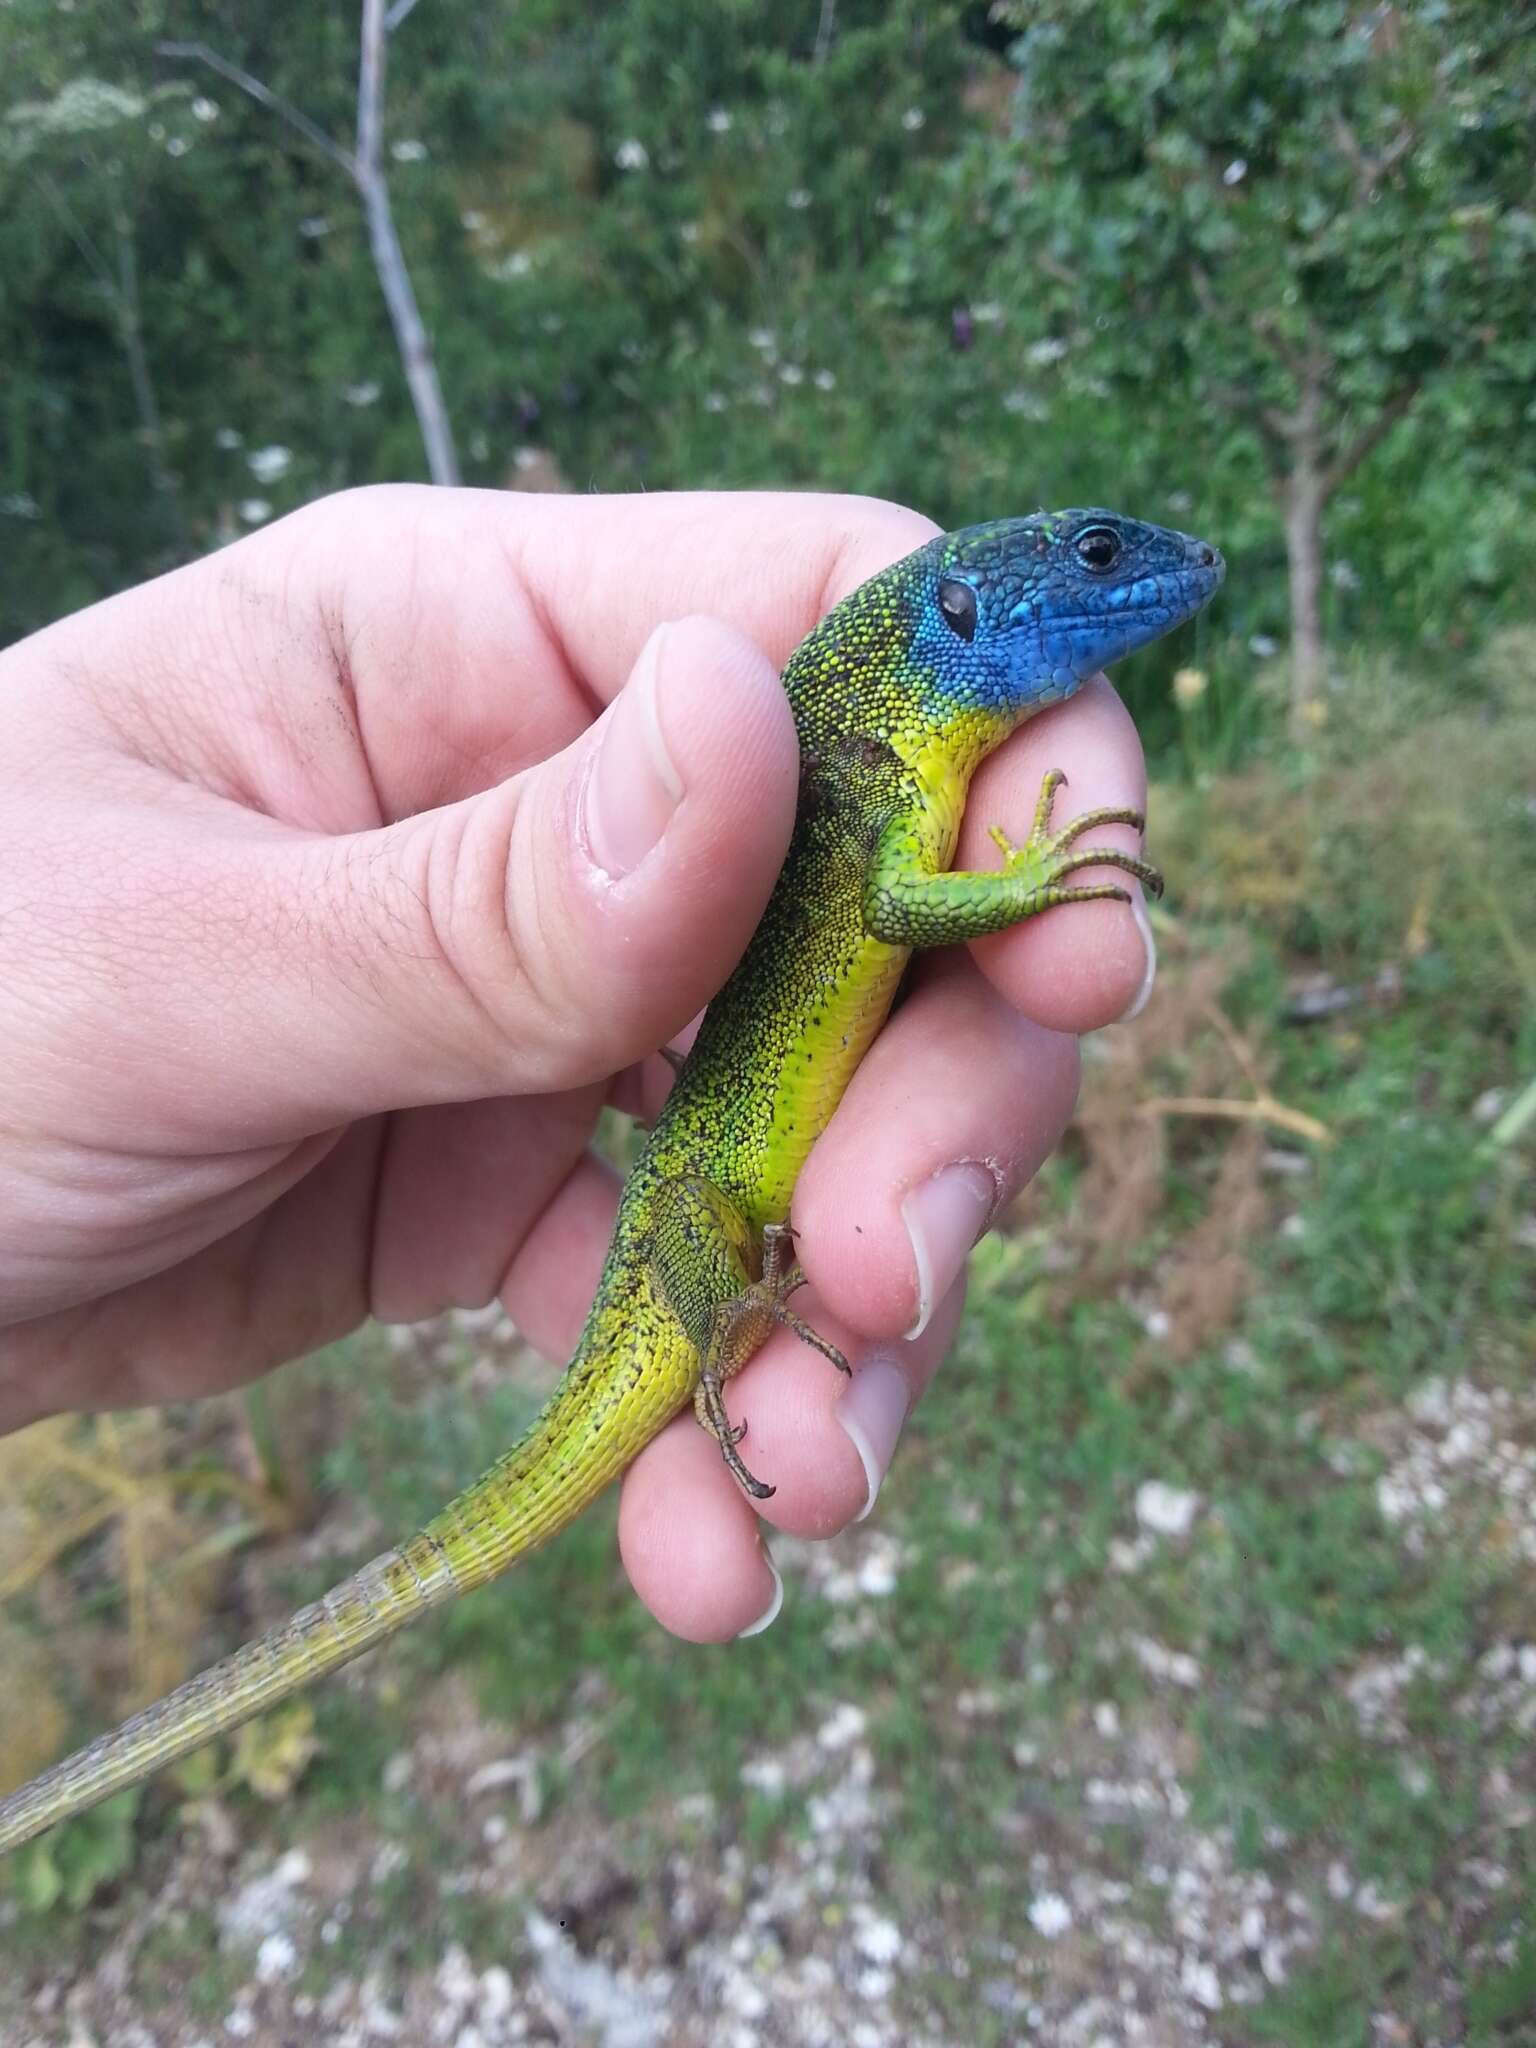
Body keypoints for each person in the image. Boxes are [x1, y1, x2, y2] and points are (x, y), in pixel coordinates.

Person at [0, 486, 1156, 1641]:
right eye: (1098, 557)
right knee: (775, 1289)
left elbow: (895, 897)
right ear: (960, 608)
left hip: (716, 1197)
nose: (1141, 570)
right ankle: (719, 1335)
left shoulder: (877, 759)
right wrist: (1027, 882)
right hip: (697, 1213)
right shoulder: (878, 763)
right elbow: (898, 900)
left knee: (822, 1278)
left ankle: (725, 1330)